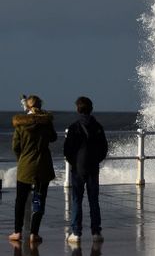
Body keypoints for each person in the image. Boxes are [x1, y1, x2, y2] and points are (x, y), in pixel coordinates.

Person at [9, 95, 57, 243]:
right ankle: (34, 233)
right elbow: (53, 137)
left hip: (25, 167)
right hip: (43, 166)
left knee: (20, 200)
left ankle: (17, 232)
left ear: (27, 107)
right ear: (40, 106)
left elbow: (15, 147)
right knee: (40, 199)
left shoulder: (20, 124)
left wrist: (21, 160)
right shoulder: (46, 123)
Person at [64, 97, 108, 243]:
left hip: (78, 169)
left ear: (78, 109)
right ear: (91, 108)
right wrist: (96, 160)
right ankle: (96, 232)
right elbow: (104, 148)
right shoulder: (98, 127)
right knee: (94, 200)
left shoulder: (74, 127)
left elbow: (67, 150)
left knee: (77, 200)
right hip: (93, 168)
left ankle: (76, 233)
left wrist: (74, 163)